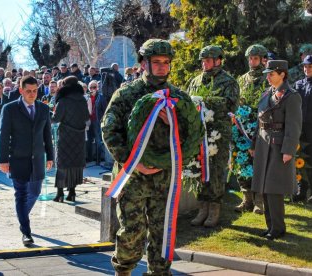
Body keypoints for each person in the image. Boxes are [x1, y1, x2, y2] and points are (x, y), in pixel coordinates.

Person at [102, 39, 192, 276]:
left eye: (166, 63)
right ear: (143, 64)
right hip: (133, 177)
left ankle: (160, 273)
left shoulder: (179, 97)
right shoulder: (126, 94)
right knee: (133, 232)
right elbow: (109, 130)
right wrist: (132, 162)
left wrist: (172, 123)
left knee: (163, 233)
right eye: (156, 62)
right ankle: (123, 270)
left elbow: (192, 135)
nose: (162, 67)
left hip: (164, 178)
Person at [187, 45, 240, 228]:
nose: (204, 64)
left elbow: (231, 106)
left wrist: (206, 103)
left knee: (216, 171)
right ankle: (203, 207)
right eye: (202, 60)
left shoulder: (229, 82)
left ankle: (214, 209)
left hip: (218, 134)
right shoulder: (195, 81)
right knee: (199, 169)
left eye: (207, 60)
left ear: (218, 60)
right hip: (199, 134)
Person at [0, 76, 54, 246]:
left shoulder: (43, 109)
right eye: (28, 91)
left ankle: (22, 216)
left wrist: (50, 156)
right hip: (17, 158)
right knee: (21, 195)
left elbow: (47, 135)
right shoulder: (10, 109)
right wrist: (2, 159)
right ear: (21, 90)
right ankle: (26, 232)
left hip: (37, 158)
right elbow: (3, 135)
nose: (32, 94)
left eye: (35, 91)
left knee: (35, 192)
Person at [251, 60, 302, 240]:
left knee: (274, 188)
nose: (268, 77)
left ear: (282, 74)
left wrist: (289, 150)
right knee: (264, 188)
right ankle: (270, 226)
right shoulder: (268, 93)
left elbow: (294, 126)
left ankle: (278, 228)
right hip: (264, 144)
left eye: (271, 73)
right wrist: (253, 145)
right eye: (267, 73)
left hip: (279, 146)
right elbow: (261, 120)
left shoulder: (292, 95)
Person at [234, 44, 269, 214]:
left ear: (263, 59)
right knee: (243, 162)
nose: (252, 61)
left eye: (255, 58)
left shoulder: (268, 78)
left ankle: (259, 201)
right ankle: (246, 199)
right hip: (243, 128)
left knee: (259, 164)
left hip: (261, 127)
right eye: (250, 58)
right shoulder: (242, 79)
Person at [51, 76, 89, 202]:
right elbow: (86, 117)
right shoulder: (83, 100)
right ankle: (72, 192)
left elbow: (56, 119)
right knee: (75, 163)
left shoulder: (63, 101)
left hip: (65, 136)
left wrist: (49, 113)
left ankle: (60, 194)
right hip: (78, 136)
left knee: (62, 163)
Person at [293, 55, 312, 203]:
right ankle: (301, 190)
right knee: (300, 159)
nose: (306, 69)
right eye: (305, 66)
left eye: (310, 66)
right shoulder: (298, 84)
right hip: (300, 129)